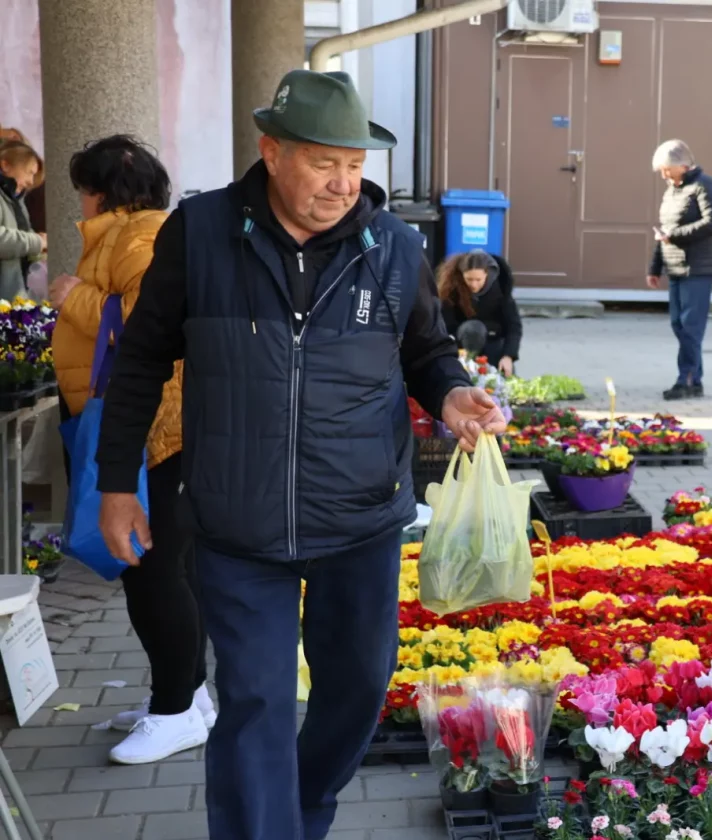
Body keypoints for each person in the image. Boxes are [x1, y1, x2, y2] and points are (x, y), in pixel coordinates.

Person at [94, 70, 505, 840]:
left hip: (360, 518)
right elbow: (141, 359)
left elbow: (426, 350)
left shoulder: (394, 247)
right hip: (237, 522)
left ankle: (304, 809)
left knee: (356, 692)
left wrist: (451, 394)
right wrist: (116, 484)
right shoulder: (200, 232)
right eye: (323, 163)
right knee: (255, 702)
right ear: (272, 152)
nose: (342, 184)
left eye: (355, 165)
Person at [50, 135, 214, 764]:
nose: (80, 203)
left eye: (82, 191)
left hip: (159, 430)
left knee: (150, 571)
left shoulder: (139, 234)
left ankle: (176, 712)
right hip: (151, 428)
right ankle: (187, 698)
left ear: (99, 191)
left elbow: (149, 322)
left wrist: (74, 297)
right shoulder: (129, 232)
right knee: (168, 568)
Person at [646, 139, 712, 401]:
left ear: (682, 165)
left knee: (690, 327)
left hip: (697, 268)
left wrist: (674, 235)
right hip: (675, 267)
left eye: (667, 169)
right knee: (678, 324)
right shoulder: (671, 191)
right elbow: (663, 231)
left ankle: (687, 380)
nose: (664, 175)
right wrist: (655, 266)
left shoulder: (704, 185)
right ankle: (694, 379)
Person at [437, 249, 522, 375]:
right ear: (461, 275)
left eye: (478, 279)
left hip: (493, 339)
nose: (474, 285)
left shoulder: (501, 289)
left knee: (502, 374)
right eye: (469, 279)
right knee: (473, 329)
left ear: (488, 274)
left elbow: (514, 326)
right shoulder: (451, 290)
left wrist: (508, 356)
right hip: (463, 341)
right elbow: (445, 326)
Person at [0, 141, 46, 300]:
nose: (31, 181)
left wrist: (40, 248)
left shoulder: (15, 199)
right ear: (5, 165)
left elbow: (21, 234)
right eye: (29, 172)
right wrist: (37, 241)